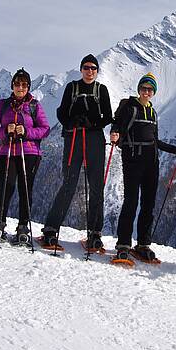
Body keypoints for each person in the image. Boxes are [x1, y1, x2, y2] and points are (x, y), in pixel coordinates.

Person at [110, 73, 176, 262]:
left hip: (152, 163)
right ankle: (123, 244)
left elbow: (154, 140)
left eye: (150, 89)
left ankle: (143, 244)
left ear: (154, 92)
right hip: (133, 161)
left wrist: (174, 149)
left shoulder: (152, 112)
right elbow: (117, 125)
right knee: (131, 202)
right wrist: (114, 134)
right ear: (139, 89)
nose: (146, 92)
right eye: (144, 88)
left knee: (148, 204)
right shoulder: (130, 107)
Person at [41, 54, 112, 249]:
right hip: (73, 138)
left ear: (97, 71)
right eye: (86, 67)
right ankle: (50, 229)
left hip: (95, 138)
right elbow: (62, 111)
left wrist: (93, 123)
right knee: (69, 183)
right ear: (81, 69)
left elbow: (108, 116)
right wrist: (70, 122)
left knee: (97, 186)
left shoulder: (101, 90)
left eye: (93, 68)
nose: (90, 71)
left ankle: (95, 232)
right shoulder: (72, 87)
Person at [0, 68, 50, 245]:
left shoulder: (34, 105)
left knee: (25, 190)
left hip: (29, 153)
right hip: (6, 152)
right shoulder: (3, 104)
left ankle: (23, 228)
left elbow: (45, 129)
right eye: (17, 84)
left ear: (28, 87)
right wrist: (5, 131)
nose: (20, 87)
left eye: (24, 84)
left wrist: (26, 132)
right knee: (6, 187)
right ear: (12, 85)